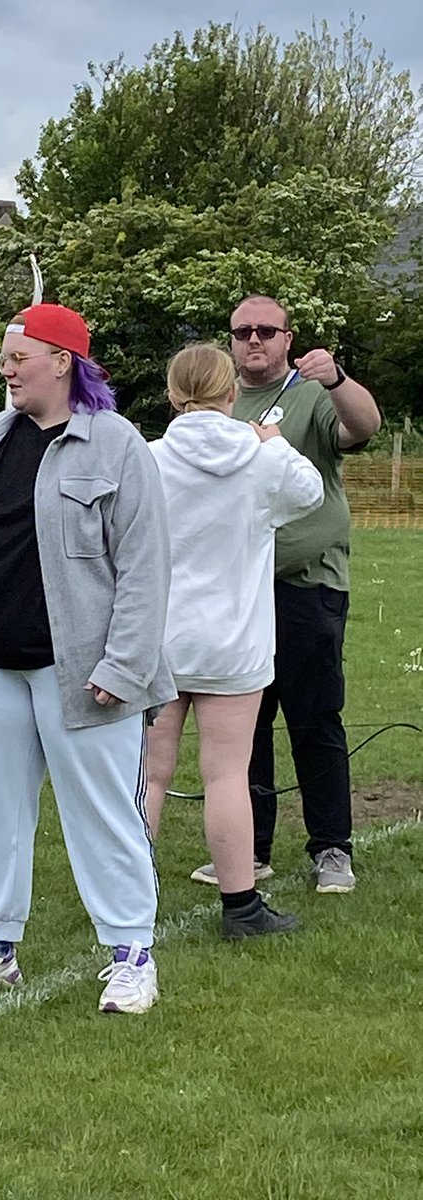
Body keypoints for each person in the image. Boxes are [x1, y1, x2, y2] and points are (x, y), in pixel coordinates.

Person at [0, 302, 176, 1014]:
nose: (5, 370)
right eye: (4, 358)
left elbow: (146, 567)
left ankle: (132, 955)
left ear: (62, 362)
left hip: (86, 675)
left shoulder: (118, 445)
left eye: (17, 358)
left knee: (103, 814)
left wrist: (123, 666)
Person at [191, 296, 381, 894]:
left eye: (266, 331)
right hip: (238, 589)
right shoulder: (218, 402)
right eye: (242, 331)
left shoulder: (311, 393)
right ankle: (251, 849)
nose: (254, 340)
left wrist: (338, 380)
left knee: (315, 717)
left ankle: (331, 848)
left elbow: (364, 427)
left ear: (287, 339)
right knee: (242, 724)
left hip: (307, 584)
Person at [146, 344, 323, 936]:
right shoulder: (260, 459)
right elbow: (310, 492)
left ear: (173, 396)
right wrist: (276, 442)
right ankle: (241, 906)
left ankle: (128, 896)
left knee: (149, 773)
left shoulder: (149, 459)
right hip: (233, 642)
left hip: (160, 640)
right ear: (230, 393)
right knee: (226, 774)